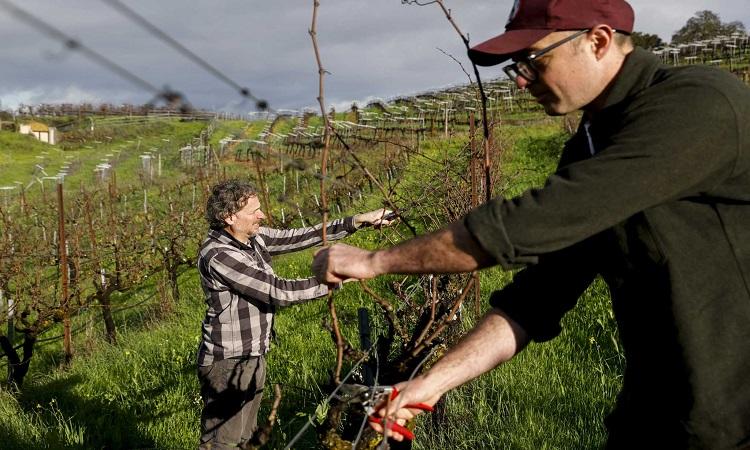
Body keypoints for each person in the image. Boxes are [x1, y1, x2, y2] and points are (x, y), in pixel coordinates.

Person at [312, 0, 750, 447]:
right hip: (659, 419)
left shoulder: (699, 103)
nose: (522, 79)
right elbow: (539, 296)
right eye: (515, 66)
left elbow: (530, 225)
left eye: (534, 60)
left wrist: (374, 260)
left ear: (597, 41)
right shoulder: (593, 144)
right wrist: (430, 385)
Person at [196, 179, 392, 449]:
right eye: (254, 211)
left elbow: (299, 236)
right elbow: (278, 291)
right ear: (229, 217)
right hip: (228, 361)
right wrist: (337, 278)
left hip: (253, 352)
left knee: (246, 437)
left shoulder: (252, 238)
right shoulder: (219, 254)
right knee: (223, 442)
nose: (261, 215)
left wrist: (356, 221)